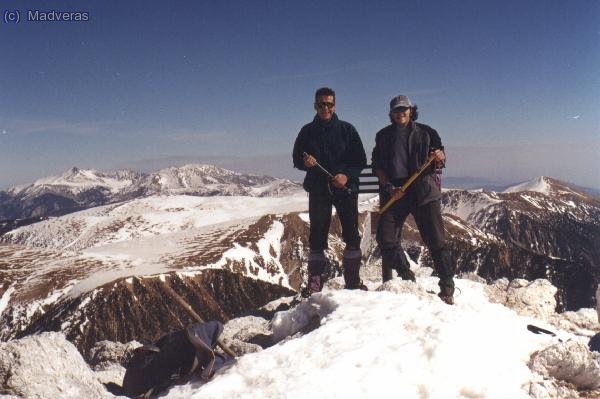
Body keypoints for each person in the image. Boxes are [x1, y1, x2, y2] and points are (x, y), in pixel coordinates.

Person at [372, 95, 455, 304]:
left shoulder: (427, 132)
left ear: (411, 111)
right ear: (391, 114)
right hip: (395, 193)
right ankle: (407, 278)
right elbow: (377, 167)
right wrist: (390, 188)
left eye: (404, 109)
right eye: (397, 110)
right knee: (385, 237)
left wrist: (439, 156)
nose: (401, 113)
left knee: (436, 240)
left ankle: (447, 287)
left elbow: (440, 158)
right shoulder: (382, 136)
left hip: (423, 192)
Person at [293, 87, 367, 294]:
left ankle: (352, 281)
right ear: (315, 106)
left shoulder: (347, 130)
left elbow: (359, 161)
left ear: (335, 106)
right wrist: (305, 162)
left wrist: (346, 175)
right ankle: (315, 283)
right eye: (321, 104)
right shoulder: (307, 131)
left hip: (345, 189)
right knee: (317, 235)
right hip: (318, 190)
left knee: (351, 233)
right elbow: (296, 159)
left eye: (329, 104)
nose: (325, 108)